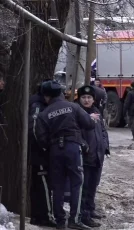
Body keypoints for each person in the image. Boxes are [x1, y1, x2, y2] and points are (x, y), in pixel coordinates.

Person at [35, 80, 99, 230]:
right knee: (77, 183)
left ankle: (59, 221)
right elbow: (89, 124)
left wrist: (50, 147)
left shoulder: (44, 114)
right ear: (61, 94)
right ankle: (74, 219)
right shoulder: (73, 107)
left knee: (57, 186)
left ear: (47, 96)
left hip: (55, 151)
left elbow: (41, 138)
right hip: (73, 148)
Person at [76, 85, 110, 227]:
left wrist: (105, 146)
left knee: (93, 185)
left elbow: (103, 131)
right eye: (83, 97)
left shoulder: (97, 111)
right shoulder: (78, 113)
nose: (86, 100)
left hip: (98, 156)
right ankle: (84, 215)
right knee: (85, 187)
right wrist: (85, 146)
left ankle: (90, 209)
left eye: (89, 97)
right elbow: (76, 133)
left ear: (93, 99)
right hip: (86, 156)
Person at [28, 79, 56, 227]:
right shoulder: (37, 104)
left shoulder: (41, 103)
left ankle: (38, 215)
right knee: (43, 183)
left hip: (40, 151)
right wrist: (44, 146)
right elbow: (33, 128)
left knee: (40, 184)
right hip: (39, 152)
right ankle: (45, 215)